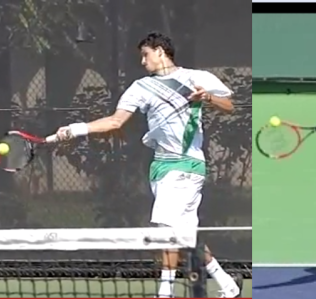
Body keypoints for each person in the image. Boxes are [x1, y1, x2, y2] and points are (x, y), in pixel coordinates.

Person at [53, 32, 242, 298]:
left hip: (186, 167)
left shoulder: (195, 78)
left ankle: (164, 294)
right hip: (161, 168)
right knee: (186, 236)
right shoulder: (141, 87)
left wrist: (207, 98)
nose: (143, 61)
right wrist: (76, 129)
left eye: (146, 54)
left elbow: (230, 105)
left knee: (165, 231)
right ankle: (228, 285)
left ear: (161, 52)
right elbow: (115, 122)